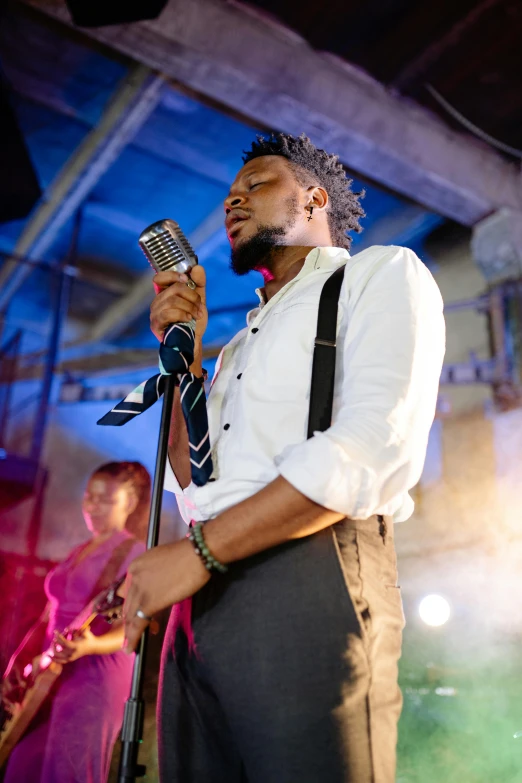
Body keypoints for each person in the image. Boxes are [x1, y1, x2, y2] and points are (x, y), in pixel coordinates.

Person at [122, 133, 446, 783]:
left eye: (256, 185)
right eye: (229, 195)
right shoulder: (237, 347)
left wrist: (198, 552)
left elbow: (369, 445)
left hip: (308, 570)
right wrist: (185, 362)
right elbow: (196, 479)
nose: (232, 201)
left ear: (313, 197)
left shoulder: (379, 273)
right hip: (203, 593)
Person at [3, 461, 150, 783]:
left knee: (69, 771)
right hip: (50, 673)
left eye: (105, 500)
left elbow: (136, 623)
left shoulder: (135, 552)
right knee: (21, 766)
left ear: (130, 503)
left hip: (95, 675)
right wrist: (21, 657)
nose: (93, 506)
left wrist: (93, 644)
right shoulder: (80, 549)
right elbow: (50, 613)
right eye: (89, 496)